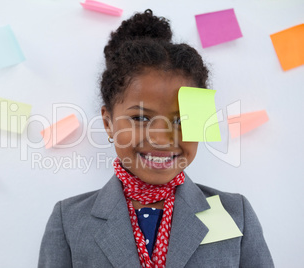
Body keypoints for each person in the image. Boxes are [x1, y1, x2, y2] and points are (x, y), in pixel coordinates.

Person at [38, 10, 274, 268]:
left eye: (181, 120)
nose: (162, 138)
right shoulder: (69, 220)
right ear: (108, 123)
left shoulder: (235, 213)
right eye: (140, 119)